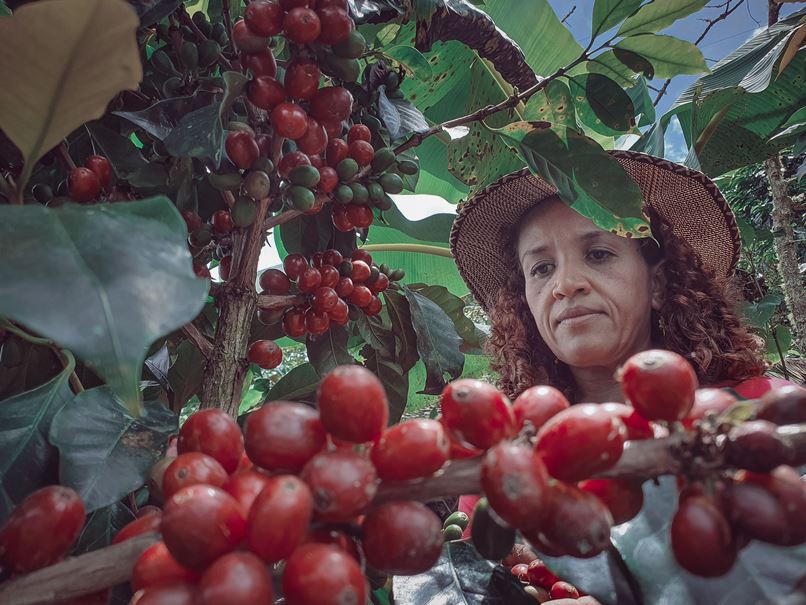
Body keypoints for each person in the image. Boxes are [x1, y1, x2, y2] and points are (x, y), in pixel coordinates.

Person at [445, 150, 805, 604]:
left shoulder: (761, 409)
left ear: (656, 284)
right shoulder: (505, 470)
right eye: (541, 269)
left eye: (598, 253)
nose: (565, 284)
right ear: (525, 304)